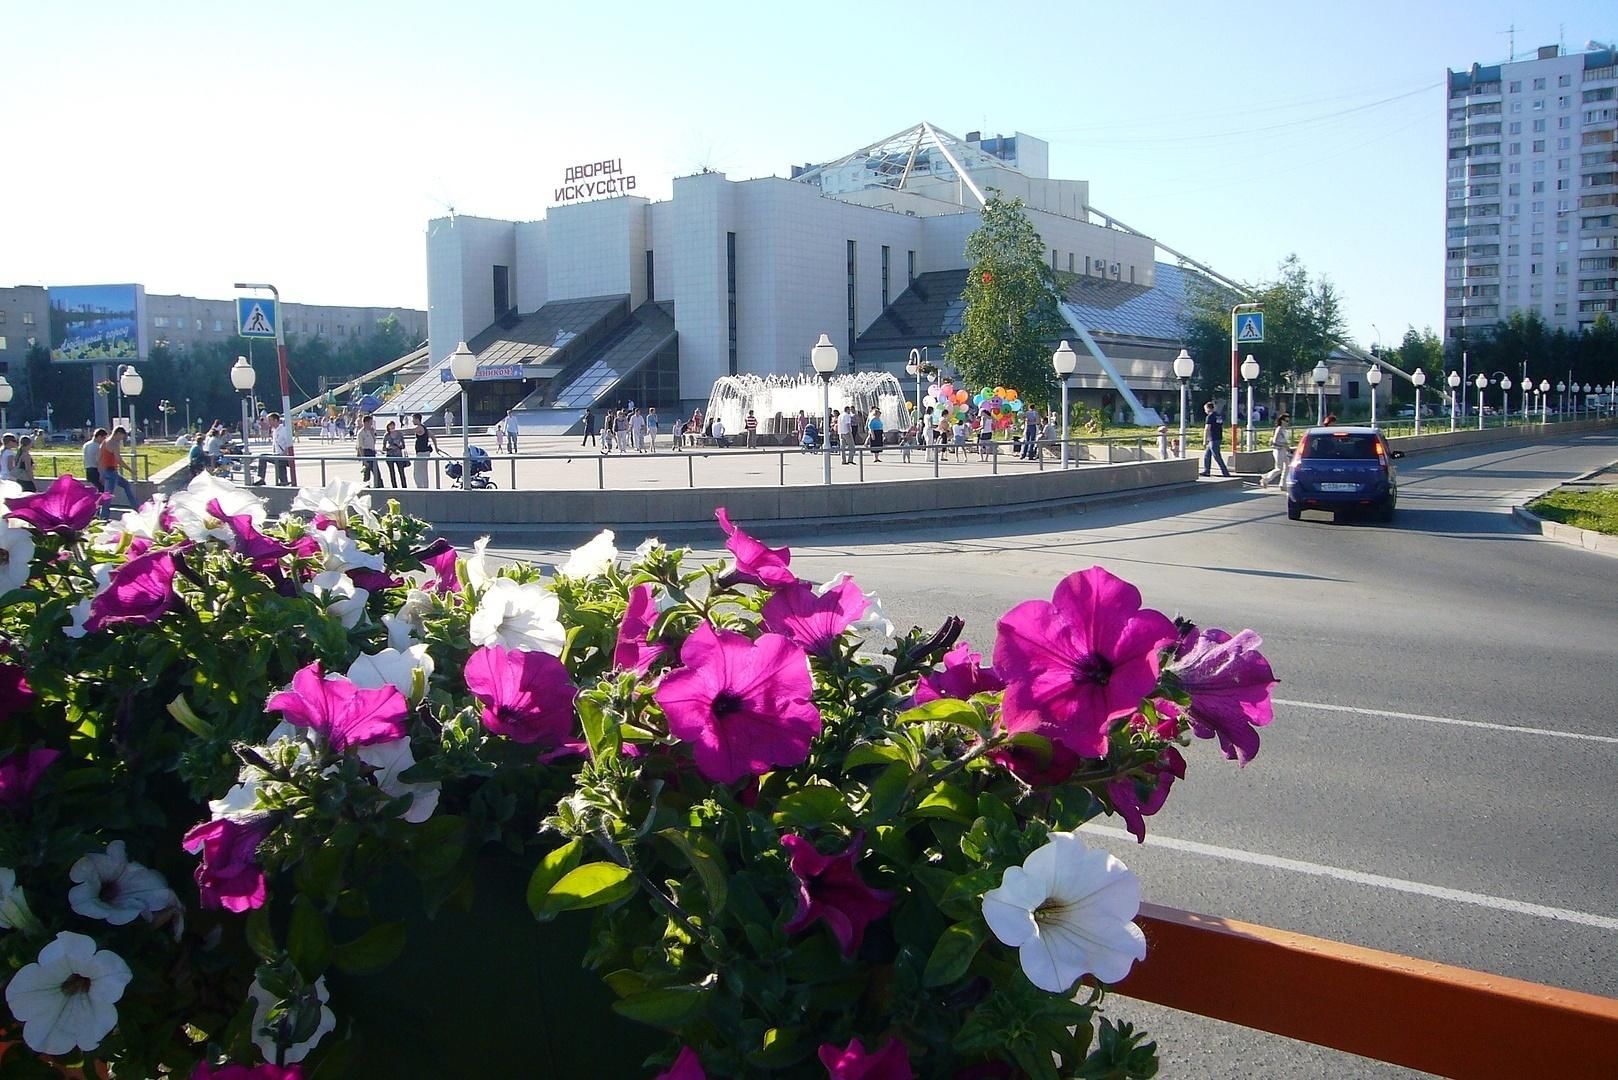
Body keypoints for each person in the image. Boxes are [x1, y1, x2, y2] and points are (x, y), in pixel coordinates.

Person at [98, 427, 139, 512]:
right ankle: (104, 516)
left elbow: (100, 458)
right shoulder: (114, 444)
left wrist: (101, 473)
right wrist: (130, 470)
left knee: (126, 484)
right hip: (111, 471)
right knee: (108, 495)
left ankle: (136, 506)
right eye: (122, 436)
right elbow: (119, 460)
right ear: (118, 433)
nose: (121, 439)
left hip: (107, 470)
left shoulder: (104, 442)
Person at [260, 413, 295, 486]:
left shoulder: (284, 430)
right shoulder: (274, 430)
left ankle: (262, 479)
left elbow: (289, 444)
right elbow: (275, 444)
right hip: (278, 455)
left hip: (283, 456)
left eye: (270, 420)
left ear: (276, 420)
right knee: (281, 473)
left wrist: (283, 455)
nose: (268, 422)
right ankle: (284, 483)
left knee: (262, 457)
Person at [1260, 412, 1293, 489]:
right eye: (1286, 421)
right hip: (1278, 450)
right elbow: (1275, 441)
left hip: (1284, 450)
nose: (1287, 423)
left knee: (1287, 467)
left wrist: (1287, 447)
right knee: (1279, 468)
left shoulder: (1284, 429)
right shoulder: (1279, 429)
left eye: (1288, 421)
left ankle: (1283, 484)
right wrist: (1284, 444)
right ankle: (1265, 479)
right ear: (1282, 421)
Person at [1200, 402, 1231, 478]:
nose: (1205, 411)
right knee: (1207, 455)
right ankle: (1206, 471)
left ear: (1208, 408)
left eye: (1205, 409)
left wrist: (1204, 440)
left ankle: (1225, 472)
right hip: (1218, 437)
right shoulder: (1218, 415)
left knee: (1216, 456)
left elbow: (1207, 429)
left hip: (1212, 438)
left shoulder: (1210, 417)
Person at [411, 413, 438, 488]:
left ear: (417, 419)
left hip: (421, 453)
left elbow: (409, 430)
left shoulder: (419, 427)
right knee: (424, 471)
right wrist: (436, 447)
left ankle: (420, 487)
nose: (412, 421)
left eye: (413, 419)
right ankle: (426, 487)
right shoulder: (424, 428)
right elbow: (432, 436)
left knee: (417, 472)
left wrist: (396, 430)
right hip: (425, 452)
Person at [356, 414, 382, 487]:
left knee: (377, 472)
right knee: (367, 473)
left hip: (372, 452)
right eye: (370, 422)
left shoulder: (371, 431)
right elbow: (360, 447)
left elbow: (374, 442)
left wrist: (372, 433)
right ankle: (366, 487)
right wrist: (364, 459)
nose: (371, 424)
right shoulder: (361, 433)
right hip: (366, 452)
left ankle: (379, 486)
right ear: (365, 422)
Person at [383, 421, 408, 487]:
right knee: (392, 472)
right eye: (390, 425)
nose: (392, 427)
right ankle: (394, 487)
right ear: (388, 426)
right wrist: (389, 447)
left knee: (401, 472)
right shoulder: (386, 435)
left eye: (393, 425)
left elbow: (403, 445)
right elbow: (384, 448)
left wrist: (399, 446)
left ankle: (404, 487)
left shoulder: (399, 434)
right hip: (390, 455)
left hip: (398, 454)